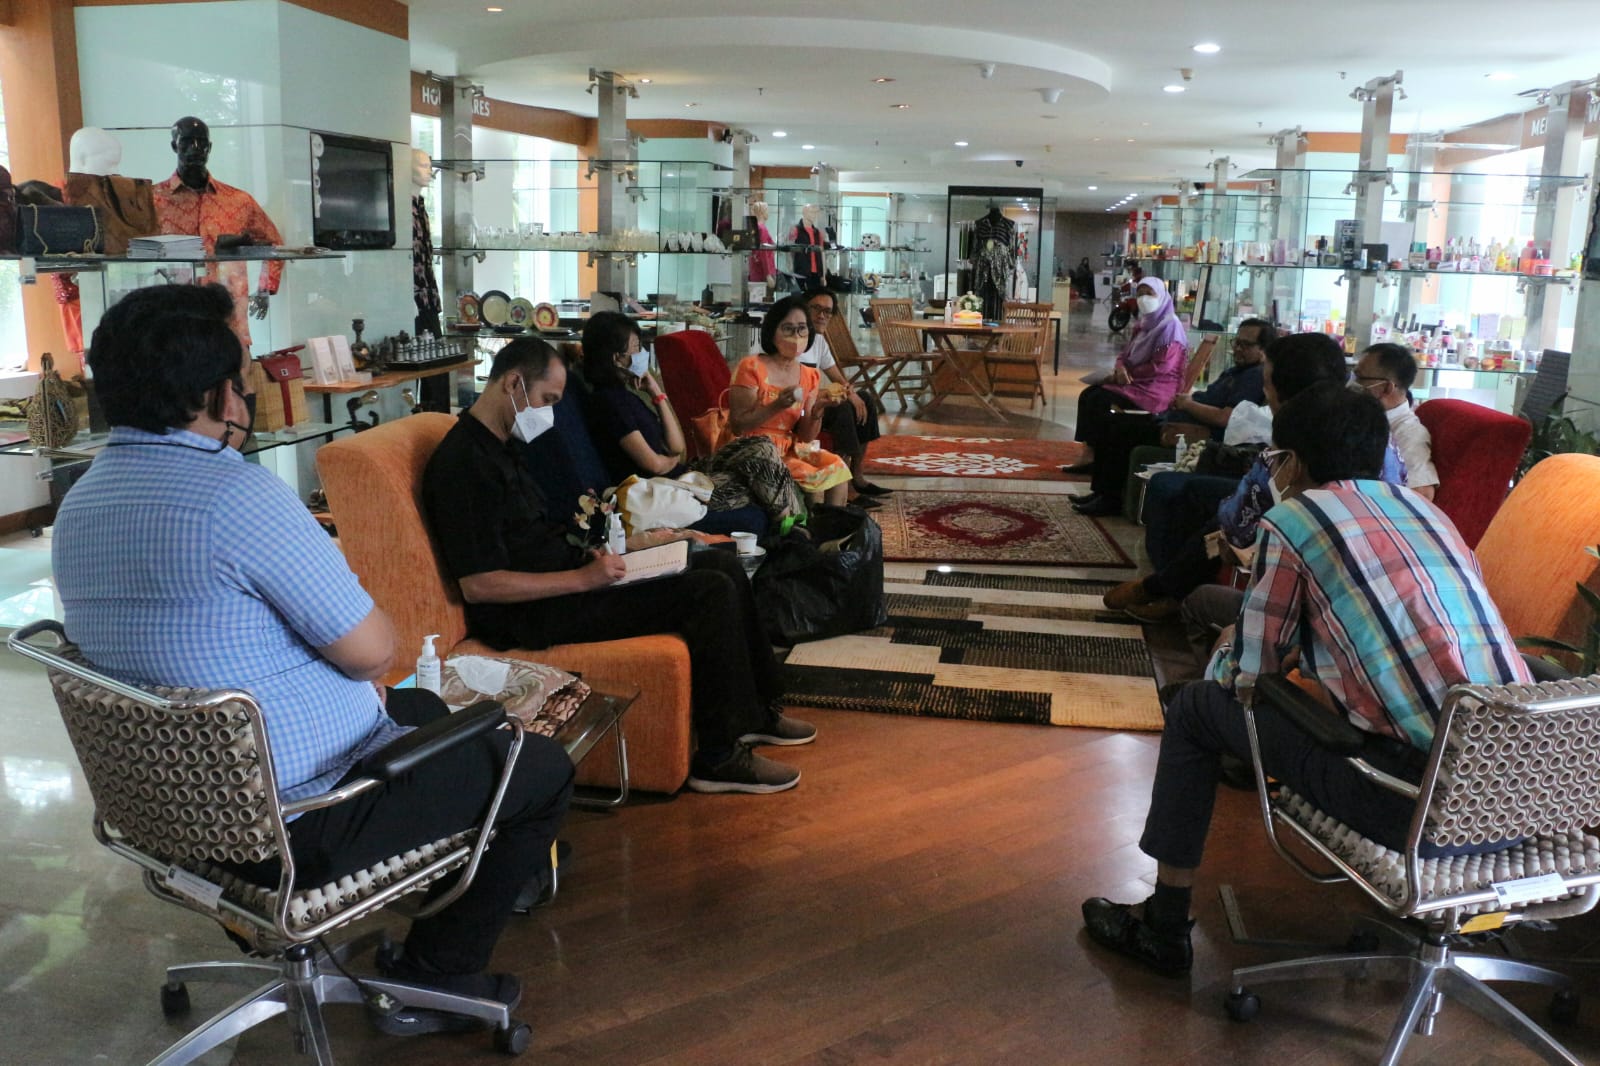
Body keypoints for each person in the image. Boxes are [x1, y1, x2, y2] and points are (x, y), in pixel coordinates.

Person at [52, 284, 573, 1031]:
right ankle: (437, 974)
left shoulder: (80, 501)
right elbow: (372, 651)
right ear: (218, 394)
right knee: (539, 767)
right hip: (295, 825)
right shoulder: (236, 496)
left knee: (425, 707)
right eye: (243, 375)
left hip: (171, 811)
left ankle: (434, 888)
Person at [1081, 383, 1532, 977]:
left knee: (1194, 707)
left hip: (1417, 806)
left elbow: (1250, 675)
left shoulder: (1294, 520)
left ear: (1292, 462)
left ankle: (1162, 928)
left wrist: (1231, 668)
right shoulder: (1430, 514)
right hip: (1524, 796)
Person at [421, 336, 814, 795]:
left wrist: (603, 554)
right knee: (709, 592)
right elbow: (481, 585)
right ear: (513, 383)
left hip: (569, 580)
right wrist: (582, 578)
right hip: (533, 612)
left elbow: (534, 536)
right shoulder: (464, 464)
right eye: (547, 399)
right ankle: (718, 757)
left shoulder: (501, 445)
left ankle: (758, 713)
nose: (549, 413)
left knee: (718, 563)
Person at [1103, 332, 1361, 622]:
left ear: (1285, 389)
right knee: (1210, 501)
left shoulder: (1297, 433)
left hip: (1303, 527)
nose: (1264, 392)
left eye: (1267, 384)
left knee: (1217, 517)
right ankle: (1166, 586)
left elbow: (1251, 509)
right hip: (1335, 521)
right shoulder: (1357, 418)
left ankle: (1166, 589)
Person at [580, 311, 806, 532]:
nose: (642, 353)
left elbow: (677, 447)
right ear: (617, 358)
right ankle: (795, 530)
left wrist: (656, 393)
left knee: (761, 447)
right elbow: (654, 465)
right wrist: (671, 460)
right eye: (636, 347)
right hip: (668, 489)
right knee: (759, 483)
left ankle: (793, 529)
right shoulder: (610, 404)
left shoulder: (627, 396)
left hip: (684, 473)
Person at [1072, 319, 1275, 517]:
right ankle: (1101, 492)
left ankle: (1110, 499)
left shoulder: (1254, 376)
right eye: (1236, 342)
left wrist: (1188, 404)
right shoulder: (1236, 371)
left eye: (1246, 345)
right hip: (1175, 420)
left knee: (1120, 429)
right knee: (1111, 421)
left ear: (1264, 350)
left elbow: (1226, 418)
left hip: (1192, 433)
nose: (1238, 349)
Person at [728, 295, 853, 506]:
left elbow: (806, 436)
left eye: (802, 329)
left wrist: (818, 410)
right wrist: (776, 405)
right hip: (753, 448)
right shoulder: (751, 367)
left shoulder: (809, 375)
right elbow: (739, 426)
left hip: (788, 447)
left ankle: (832, 523)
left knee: (837, 466)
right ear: (772, 332)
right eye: (788, 329)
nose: (796, 336)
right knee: (805, 473)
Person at [1066, 278, 1188, 472]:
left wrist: (1128, 373)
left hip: (1156, 388)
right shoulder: (1144, 325)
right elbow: (1125, 354)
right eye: (1140, 294)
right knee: (1089, 395)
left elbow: (1161, 366)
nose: (1144, 298)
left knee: (1099, 400)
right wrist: (1121, 368)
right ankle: (1090, 451)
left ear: (1162, 296)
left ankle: (1095, 455)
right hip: (1136, 382)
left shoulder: (1170, 327)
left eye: (1149, 293)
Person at [798, 287, 891, 505]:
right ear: (804, 309)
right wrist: (835, 396)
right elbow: (796, 389)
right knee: (840, 407)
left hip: (814, 403)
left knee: (865, 398)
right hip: (800, 409)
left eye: (827, 311)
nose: (822, 315)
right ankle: (846, 486)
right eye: (816, 309)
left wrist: (852, 394)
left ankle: (857, 476)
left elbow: (837, 377)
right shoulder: (795, 340)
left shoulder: (819, 341)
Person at [1353, 342, 1437, 501]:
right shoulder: (1364, 416)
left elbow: (1423, 493)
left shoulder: (1408, 433)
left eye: (1360, 378)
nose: (1353, 384)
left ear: (1387, 388)